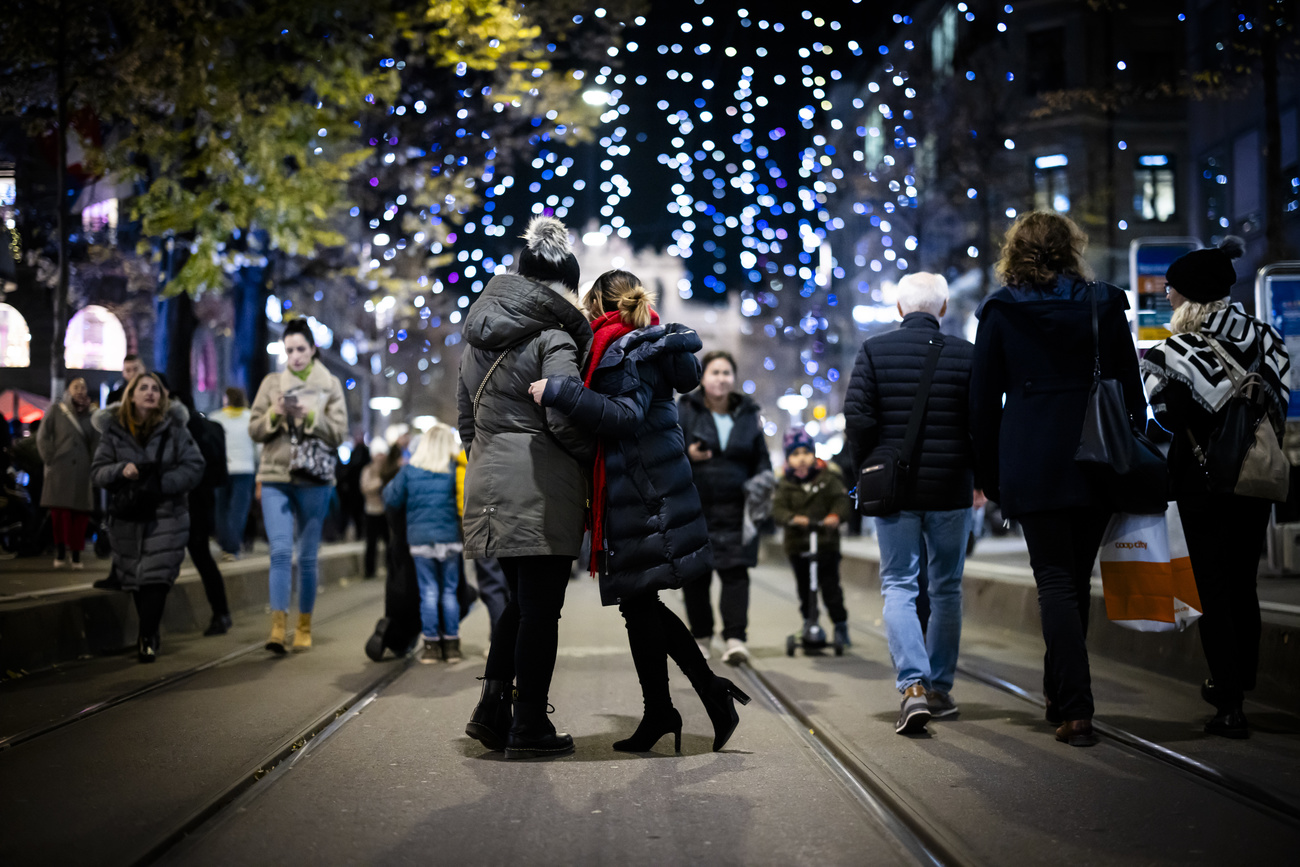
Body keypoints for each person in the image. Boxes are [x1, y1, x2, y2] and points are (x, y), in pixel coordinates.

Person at [531, 269, 751, 753]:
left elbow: (626, 416)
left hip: (642, 490)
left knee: (640, 604)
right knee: (639, 604)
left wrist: (562, 392)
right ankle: (666, 709)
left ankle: (698, 696)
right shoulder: (643, 343)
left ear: (597, 301)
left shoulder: (622, 349)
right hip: (647, 487)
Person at [970, 212, 1145, 748]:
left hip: (1032, 458)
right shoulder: (1105, 303)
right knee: (1073, 579)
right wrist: (1131, 448)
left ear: (1015, 252)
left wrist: (989, 476)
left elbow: (982, 402)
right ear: (1071, 248)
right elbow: (1130, 388)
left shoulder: (1000, 311)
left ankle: (1074, 706)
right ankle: (1059, 693)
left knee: (1054, 582)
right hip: (1096, 457)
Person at [1141, 236, 1290, 739]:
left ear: (1191, 296)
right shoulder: (1267, 339)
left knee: (1214, 588)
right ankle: (1241, 682)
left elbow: (1161, 423)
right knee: (1244, 583)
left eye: (1172, 290)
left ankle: (1228, 701)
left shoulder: (1175, 351)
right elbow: (1279, 406)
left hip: (1201, 483)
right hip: (1255, 477)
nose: (1166, 298)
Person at [459, 214, 593, 760]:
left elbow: (465, 422)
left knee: (517, 602)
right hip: (540, 485)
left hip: (488, 481)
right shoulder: (555, 335)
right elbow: (564, 416)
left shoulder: (475, 341)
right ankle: (529, 724)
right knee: (541, 611)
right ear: (564, 287)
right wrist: (592, 458)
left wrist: (489, 458)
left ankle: (492, 709)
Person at [844, 271, 977, 735]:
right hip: (951, 490)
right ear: (942, 309)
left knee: (899, 585)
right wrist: (979, 477)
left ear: (899, 309)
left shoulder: (874, 350)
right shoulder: (966, 354)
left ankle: (913, 687)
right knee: (946, 589)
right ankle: (940, 688)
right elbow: (982, 423)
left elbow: (857, 416)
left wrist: (867, 467)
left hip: (895, 491)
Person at [248, 318, 348, 654]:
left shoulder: (330, 384)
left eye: (301, 349)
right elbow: (255, 429)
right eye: (289, 349)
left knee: (306, 556)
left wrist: (311, 416)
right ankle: (278, 628)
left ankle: (304, 624)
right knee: (279, 551)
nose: (295, 356)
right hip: (276, 475)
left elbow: (339, 433)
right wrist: (275, 414)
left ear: (313, 349)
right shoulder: (272, 383)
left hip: (314, 479)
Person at [91, 373, 204, 662]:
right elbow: (98, 472)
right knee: (135, 577)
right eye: (143, 388)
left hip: (167, 515)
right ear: (131, 395)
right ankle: (148, 631)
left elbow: (194, 465)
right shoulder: (114, 431)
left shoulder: (175, 429)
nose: (150, 393)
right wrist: (121, 471)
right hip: (128, 517)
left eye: (155, 389)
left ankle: (147, 635)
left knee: (156, 576)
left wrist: (161, 484)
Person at [678, 350, 772, 664]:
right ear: (703, 378)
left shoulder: (748, 412)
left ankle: (735, 638)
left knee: (735, 573)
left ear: (734, 378)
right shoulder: (685, 409)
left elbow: (762, 459)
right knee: (696, 575)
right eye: (715, 372)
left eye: (726, 373)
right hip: (695, 506)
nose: (721, 378)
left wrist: (761, 488)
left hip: (737, 508)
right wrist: (687, 454)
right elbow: (668, 451)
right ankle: (701, 637)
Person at [383, 423, 464, 665]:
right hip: (449, 537)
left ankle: (430, 646)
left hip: (420, 539)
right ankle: (452, 647)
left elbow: (390, 498)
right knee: (449, 592)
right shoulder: (452, 469)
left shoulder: (411, 471)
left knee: (428, 591)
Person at [771, 428, 851, 648]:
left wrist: (836, 516)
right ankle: (809, 621)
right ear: (789, 459)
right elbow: (778, 510)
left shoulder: (828, 479)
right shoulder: (785, 484)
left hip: (826, 544)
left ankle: (840, 624)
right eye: (795, 454)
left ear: (814, 455)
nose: (802, 459)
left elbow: (841, 501)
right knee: (805, 588)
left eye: (806, 453)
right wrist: (793, 518)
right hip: (798, 545)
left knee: (831, 588)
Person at [175, 392, 233, 636]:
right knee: (202, 558)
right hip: (200, 501)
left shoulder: (181, 426)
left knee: (192, 558)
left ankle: (149, 632)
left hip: (186, 501)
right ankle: (221, 613)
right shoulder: (201, 424)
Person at [37, 378, 99, 569]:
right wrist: (50, 458)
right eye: (76, 387)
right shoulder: (57, 410)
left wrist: (94, 464)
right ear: (68, 391)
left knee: (80, 515)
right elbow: (42, 435)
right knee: (59, 514)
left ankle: (77, 553)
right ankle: (61, 550)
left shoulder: (92, 413)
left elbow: (96, 443)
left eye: (83, 387)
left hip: (82, 469)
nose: (80, 391)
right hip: (60, 469)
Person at [212, 387, 258, 561]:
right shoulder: (251, 417)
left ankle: (226, 543)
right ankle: (232, 546)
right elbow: (257, 448)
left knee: (221, 508)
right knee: (238, 510)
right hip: (245, 470)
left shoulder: (216, 418)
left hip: (222, 469)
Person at [359, 442, 389, 579]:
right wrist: (378, 484)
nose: (381, 457)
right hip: (372, 510)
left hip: (386, 511)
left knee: (390, 543)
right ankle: (369, 571)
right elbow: (365, 488)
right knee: (371, 544)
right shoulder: (368, 470)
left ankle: (391, 569)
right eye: (378, 454)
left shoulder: (388, 469)